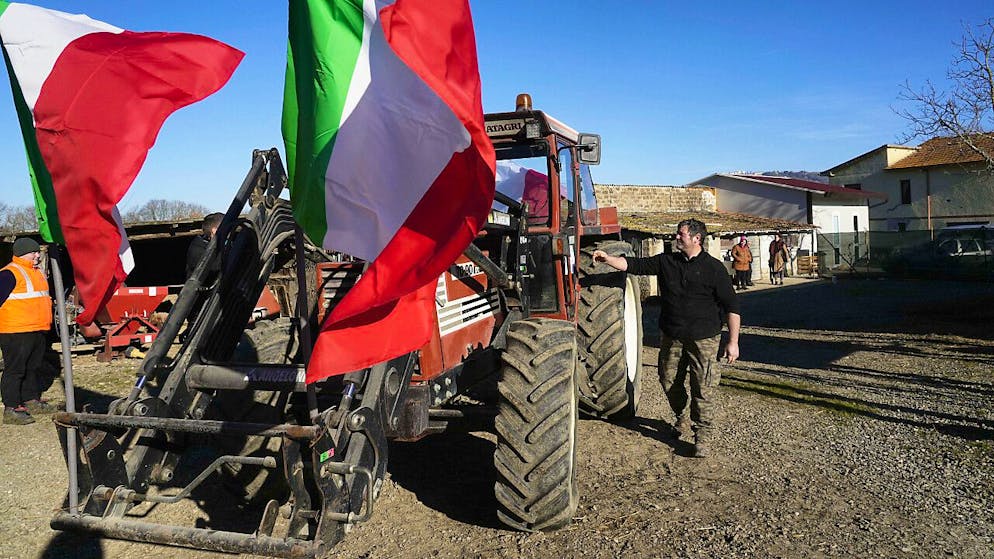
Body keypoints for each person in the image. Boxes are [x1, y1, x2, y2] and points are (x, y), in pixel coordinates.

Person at [592, 219, 741, 458]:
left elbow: (732, 306)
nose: (676, 237)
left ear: (696, 238)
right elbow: (634, 265)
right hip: (672, 335)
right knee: (668, 380)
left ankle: (702, 437)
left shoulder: (714, 268)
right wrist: (607, 259)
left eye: (681, 234)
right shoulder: (666, 261)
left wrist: (733, 342)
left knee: (704, 388)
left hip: (705, 338)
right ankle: (681, 416)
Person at [0, 237, 56, 425]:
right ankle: (11, 408)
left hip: (36, 329)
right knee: (15, 370)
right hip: (15, 331)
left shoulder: (36, 273)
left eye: (38, 252)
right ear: (24, 252)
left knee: (32, 368)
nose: (38, 255)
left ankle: (31, 401)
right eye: (34, 252)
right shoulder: (9, 273)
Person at [183, 213, 224, 340]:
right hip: (200, 302)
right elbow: (214, 267)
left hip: (213, 299)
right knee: (198, 334)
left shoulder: (215, 246)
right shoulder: (198, 247)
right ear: (214, 230)